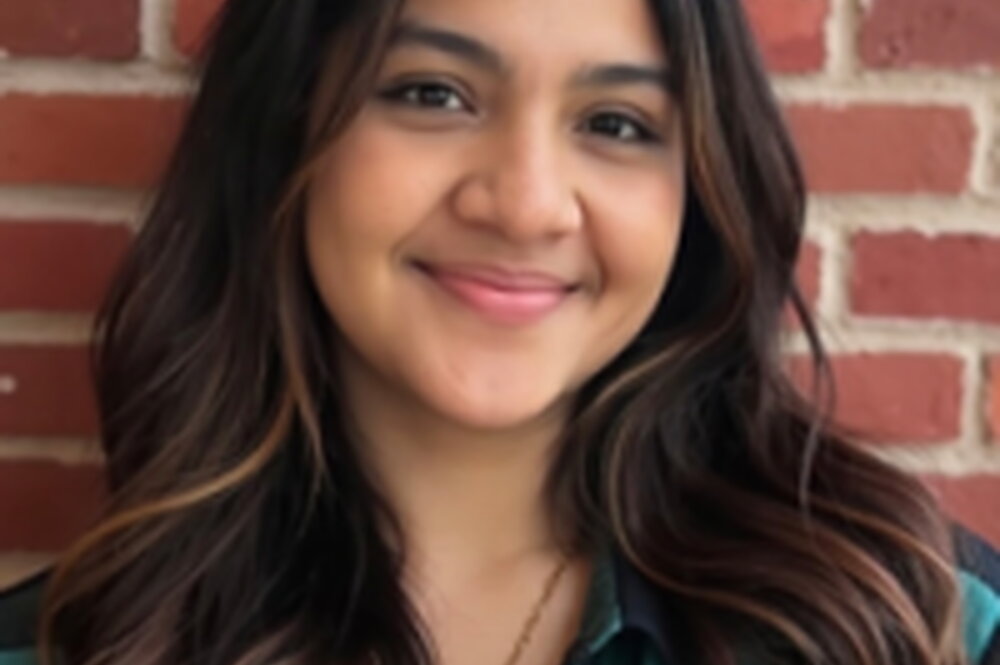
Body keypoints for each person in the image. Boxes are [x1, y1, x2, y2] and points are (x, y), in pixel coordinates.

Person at [1, 0, 998, 663]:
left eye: (615, 123)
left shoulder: (911, 616)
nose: (525, 206)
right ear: (285, 137)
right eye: (432, 93)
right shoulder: (80, 641)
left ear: (697, 194)